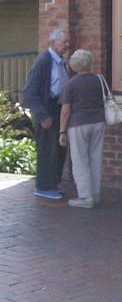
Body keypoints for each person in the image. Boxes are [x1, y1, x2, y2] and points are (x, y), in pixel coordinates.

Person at [22, 28, 71, 200]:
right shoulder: (43, 61)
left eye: (67, 41)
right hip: (47, 110)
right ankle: (44, 187)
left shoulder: (61, 61)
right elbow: (29, 93)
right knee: (47, 150)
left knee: (58, 149)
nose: (67, 45)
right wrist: (42, 115)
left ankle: (53, 184)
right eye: (63, 42)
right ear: (52, 43)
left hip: (58, 110)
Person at [58, 49, 106, 209]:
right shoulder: (99, 80)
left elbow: (65, 110)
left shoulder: (71, 84)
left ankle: (85, 197)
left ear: (74, 64)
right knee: (95, 158)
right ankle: (96, 194)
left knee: (80, 161)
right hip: (98, 122)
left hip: (78, 124)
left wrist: (62, 131)